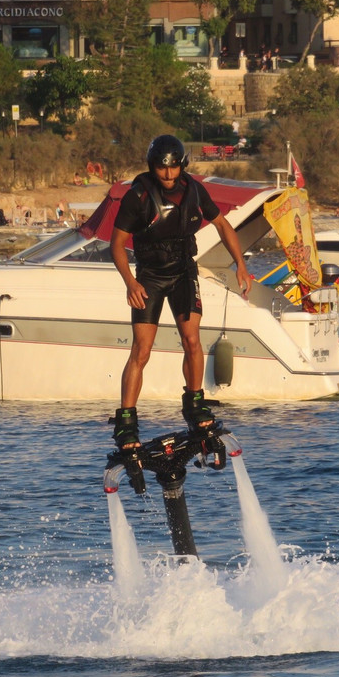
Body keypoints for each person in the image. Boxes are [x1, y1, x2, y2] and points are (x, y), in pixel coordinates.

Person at [109, 135, 251, 452]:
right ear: (153, 167)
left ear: (182, 166)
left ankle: (194, 405)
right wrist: (130, 282)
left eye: (174, 169)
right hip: (150, 276)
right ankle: (126, 423)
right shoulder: (139, 196)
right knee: (141, 350)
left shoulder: (195, 190)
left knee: (192, 340)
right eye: (163, 170)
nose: (169, 176)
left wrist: (240, 264)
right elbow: (116, 244)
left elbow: (223, 225)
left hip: (184, 271)